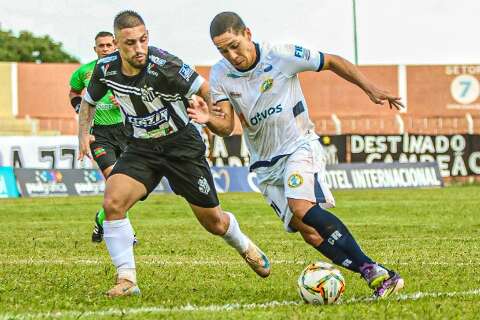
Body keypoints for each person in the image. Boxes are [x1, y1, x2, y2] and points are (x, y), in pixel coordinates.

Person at [188, 11, 405, 299]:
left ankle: (372, 270)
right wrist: (209, 119)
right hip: (265, 166)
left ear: (248, 34)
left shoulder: (281, 56)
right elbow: (227, 127)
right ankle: (379, 273)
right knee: (308, 231)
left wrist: (370, 88)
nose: (231, 55)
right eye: (222, 50)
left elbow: (332, 61)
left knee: (301, 206)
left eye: (234, 45)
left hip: (299, 146)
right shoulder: (220, 74)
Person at [77, 10, 270, 298]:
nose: (139, 48)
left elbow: (206, 89)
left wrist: (215, 116)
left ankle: (244, 245)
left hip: (181, 146)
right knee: (113, 202)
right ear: (116, 43)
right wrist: (83, 134)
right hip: (141, 148)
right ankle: (127, 279)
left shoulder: (165, 65)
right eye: (130, 43)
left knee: (214, 223)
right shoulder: (105, 69)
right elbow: (88, 101)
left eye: (143, 40)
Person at [69, 31, 136, 244]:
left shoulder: (127, 69)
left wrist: (125, 101)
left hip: (124, 131)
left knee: (129, 186)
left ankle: (101, 218)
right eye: (101, 46)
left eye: (109, 45)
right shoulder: (85, 71)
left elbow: (139, 94)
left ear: (115, 46)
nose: (105, 49)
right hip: (99, 134)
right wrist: (80, 107)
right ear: (95, 48)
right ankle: (128, 234)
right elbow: (74, 92)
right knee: (115, 181)